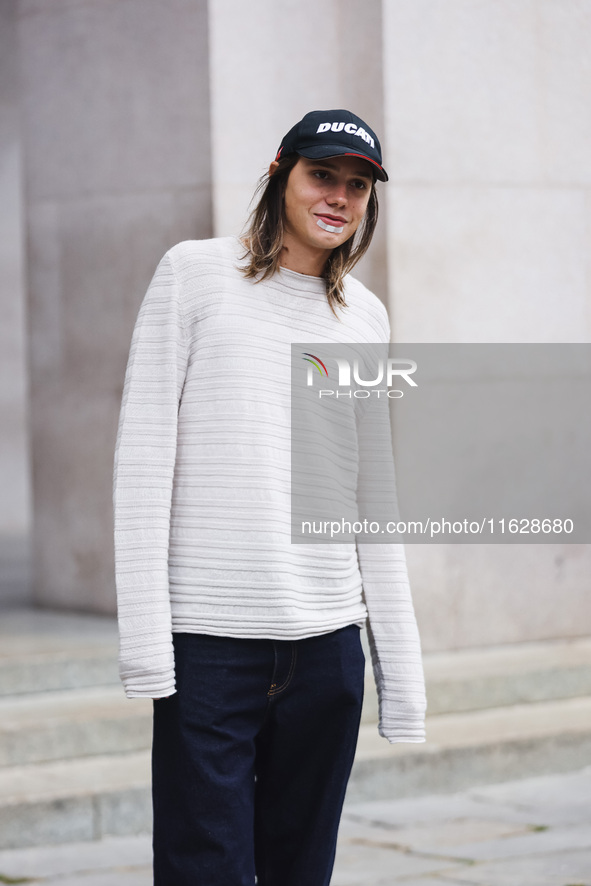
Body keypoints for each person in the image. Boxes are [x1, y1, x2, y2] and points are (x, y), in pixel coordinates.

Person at [112, 108, 427, 886]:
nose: (339, 197)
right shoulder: (193, 274)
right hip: (211, 646)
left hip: (326, 650)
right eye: (323, 174)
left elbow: (371, 493)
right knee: (202, 868)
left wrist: (399, 678)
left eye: (357, 186)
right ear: (280, 173)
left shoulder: (363, 316)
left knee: (300, 870)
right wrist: (149, 650)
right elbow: (143, 459)